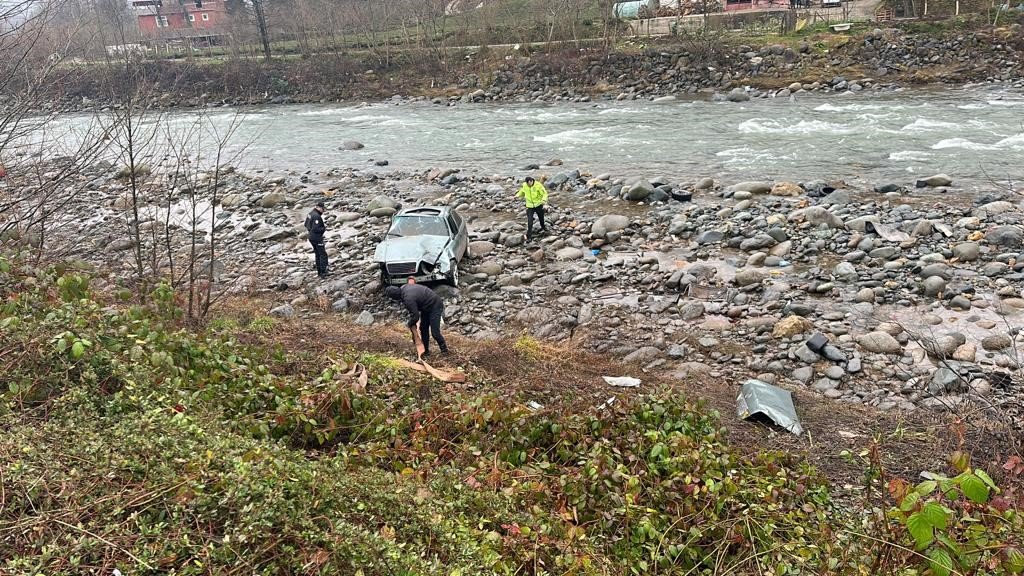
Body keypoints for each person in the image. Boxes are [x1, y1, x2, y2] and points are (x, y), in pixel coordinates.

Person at [384, 282, 450, 358]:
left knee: (435, 333)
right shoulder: (404, 287)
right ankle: (426, 351)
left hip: (435, 305)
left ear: (395, 297)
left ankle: (445, 351)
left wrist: (410, 324)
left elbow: (416, 316)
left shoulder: (408, 298)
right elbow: (414, 312)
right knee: (423, 328)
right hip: (426, 306)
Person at [304, 201, 329, 278]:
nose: (323, 211)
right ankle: (323, 272)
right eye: (322, 209)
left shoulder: (310, 214)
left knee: (317, 254)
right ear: (318, 207)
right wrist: (323, 229)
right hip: (316, 238)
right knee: (323, 255)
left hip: (311, 237)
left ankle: (319, 272)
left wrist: (310, 231)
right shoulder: (316, 216)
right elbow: (316, 228)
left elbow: (305, 224)